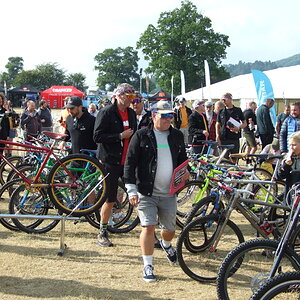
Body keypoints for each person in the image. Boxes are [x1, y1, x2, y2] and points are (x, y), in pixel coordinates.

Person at [124, 100, 189, 282]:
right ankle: (148, 265)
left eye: (171, 116)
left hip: (169, 192)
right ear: (153, 116)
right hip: (146, 191)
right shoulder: (141, 135)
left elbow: (182, 159)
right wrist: (131, 190)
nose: (169, 119)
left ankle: (166, 244)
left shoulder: (176, 135)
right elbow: (130, 163)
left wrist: (185, 171)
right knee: (148, 226)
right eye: (164, 116)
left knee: (169, 229)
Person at [94, 83, 137, 247]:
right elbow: (97, 136)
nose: (131, 99)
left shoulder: (131, 113)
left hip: (127, 161)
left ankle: (150, 233)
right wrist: (119, 136)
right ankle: (102, 232)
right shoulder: (106, 112)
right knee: (110, 198)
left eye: (133, 96)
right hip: (110, 161)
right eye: (129, 96)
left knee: (137, 195)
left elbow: (134, 136)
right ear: (119, 96)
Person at [215, 93, 247, 161]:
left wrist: (239, 127)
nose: (223, 101)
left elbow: (245, 123)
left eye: (224, 100)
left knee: (234, 157)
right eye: (222, 100)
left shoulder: (238, 110)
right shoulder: (221, 111)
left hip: (234, 138)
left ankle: (234, 169)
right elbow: (217, 124)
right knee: (224, 158)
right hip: (224, 138)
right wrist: (217, 136)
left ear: (230, 99)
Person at [277, 131, 300, 198]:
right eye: (290, 145)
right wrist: (286, 164)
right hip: (291, 196)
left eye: (294, 145)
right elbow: (280, 176)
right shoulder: (290, 159)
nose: (291, 148)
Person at [0, 93, 10, 161]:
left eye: (0, 100)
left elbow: (7, 124)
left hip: (2, 135)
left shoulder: (5, 111)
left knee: (0, 153)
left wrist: (7, 135)